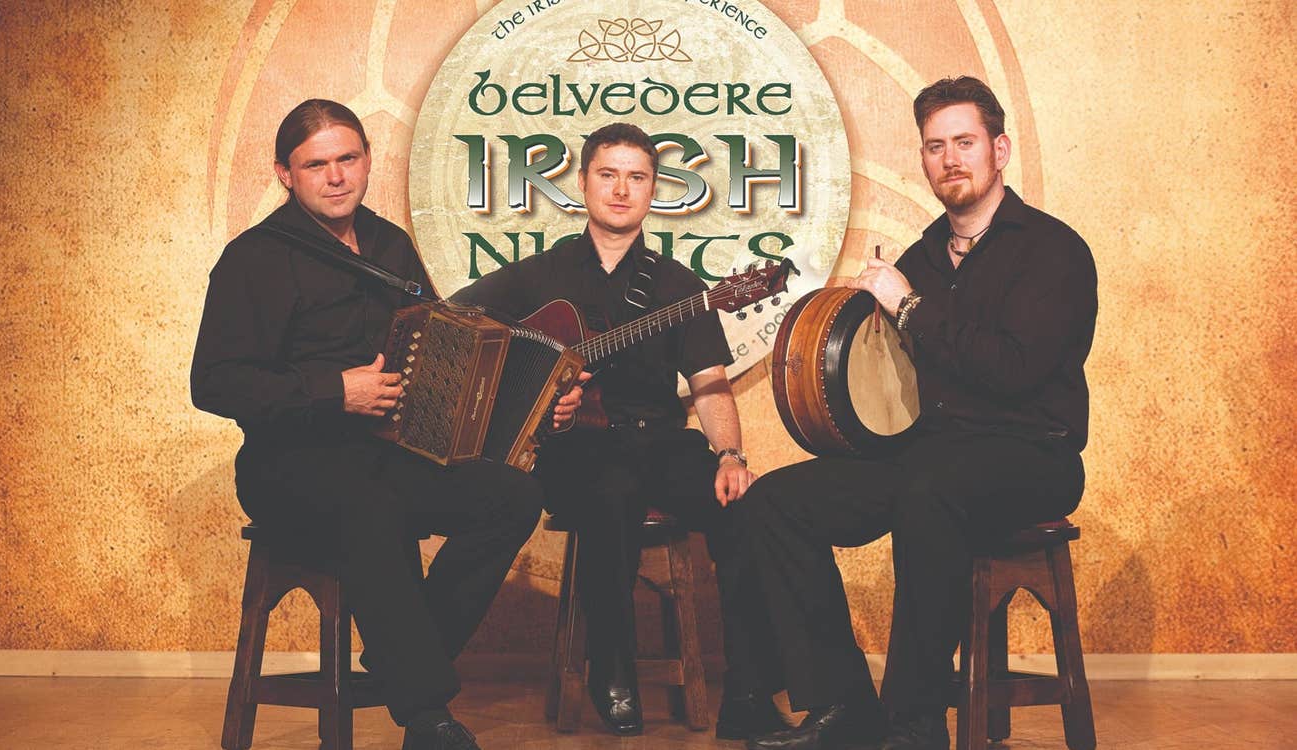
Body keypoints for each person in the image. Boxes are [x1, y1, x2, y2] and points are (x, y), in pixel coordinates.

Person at [191, 99, 582, 750]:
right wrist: (331, 391)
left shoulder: (391, 246)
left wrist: (540, 402)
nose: (336, 176)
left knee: (512, 496)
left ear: (367, 160)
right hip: (288, 463)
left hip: (388, 451)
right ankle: (427, 716)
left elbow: (447, 352)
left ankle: (405, 652)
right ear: (286, 174)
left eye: (348, 158)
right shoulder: (253, 259)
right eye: (317, 164)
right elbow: (214, 383)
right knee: (366, 503)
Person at [740, 76, 1098, 750]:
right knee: (777, 502)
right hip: (928, 453)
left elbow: (1012, 372)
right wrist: (850, 344)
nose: (950, 159)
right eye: (935, 147)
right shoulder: (922, 258)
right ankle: (842, 707)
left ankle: (915, 718)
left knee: (931, 491)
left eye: (965, 142)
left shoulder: (1051, 250)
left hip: (1032, 453)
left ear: (1001, 148)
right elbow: (892, 384)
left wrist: (909, 308)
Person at [452, 123, 786, 740]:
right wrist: (528, 397)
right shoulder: (535, 277)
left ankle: (749, 691)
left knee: (747, 507)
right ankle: (611, 669)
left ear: (655, 190)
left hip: (660, 440)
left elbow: (710, 381)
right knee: (613, 491)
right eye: (608, 174)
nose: (622, 189)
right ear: (582, 183)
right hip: (574, 450)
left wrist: (731, 455)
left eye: (638, 177)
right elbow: (461, 326)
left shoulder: (680, 287)